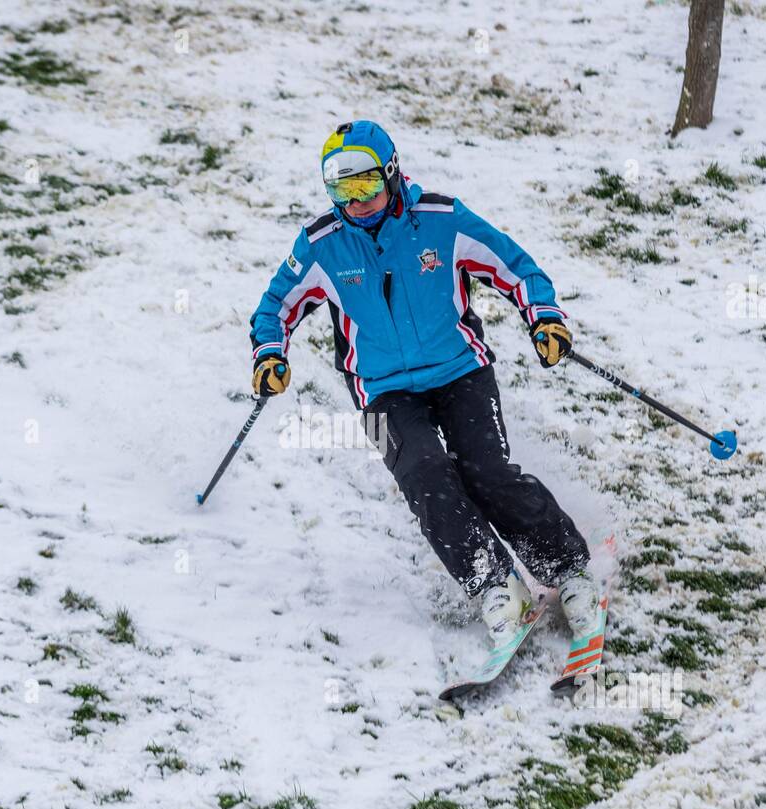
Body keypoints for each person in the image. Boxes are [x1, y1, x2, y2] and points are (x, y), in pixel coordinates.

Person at [248, 120, 605, 684]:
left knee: (486, 472)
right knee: (424, 473)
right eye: (341, 191)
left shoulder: (441, 220)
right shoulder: (321, 245)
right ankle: (495, 587)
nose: (356, 202)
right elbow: (275, 309)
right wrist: (270, 354)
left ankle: (570, 572)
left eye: (365, 185)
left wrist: (545, 319)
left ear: (391, 173)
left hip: (460, 370)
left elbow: (516, 267)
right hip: (383, 390)